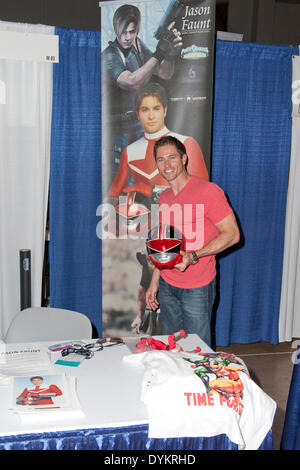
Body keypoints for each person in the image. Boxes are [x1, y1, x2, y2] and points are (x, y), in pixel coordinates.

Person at [145, 136, 240, 346]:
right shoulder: (165, 197)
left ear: (184, 158)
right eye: (160, 160)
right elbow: (164, 244)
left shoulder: (208, 191)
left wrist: (194, 255)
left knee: (198, 350)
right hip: (168, 284)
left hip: (198, 286)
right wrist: (154, 282)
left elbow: (232, 234)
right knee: (173, 345)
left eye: (172, 157)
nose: (166, 165)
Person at [102, 4, 182, 193]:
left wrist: (170, 54)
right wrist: (159, 53)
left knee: (147, 183)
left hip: (139, 127)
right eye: (123, 32)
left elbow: (164, 73)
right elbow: (131, 82)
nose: (127, 37)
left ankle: (148, 221)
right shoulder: (110, 55)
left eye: (132, 31)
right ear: (115, 29)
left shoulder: (137, 46)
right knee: (121, 186)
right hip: (117, 130)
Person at [108, 81, 208, 202]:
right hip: (142, 219)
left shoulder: (187, 143)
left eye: (156, 108)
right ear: (138, 114)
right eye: (145, 109)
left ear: (165, 110)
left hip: (178, 218)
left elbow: (202, 194)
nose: (151, 116)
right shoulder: (129, 151)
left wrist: (145, 190)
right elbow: (113, 196)